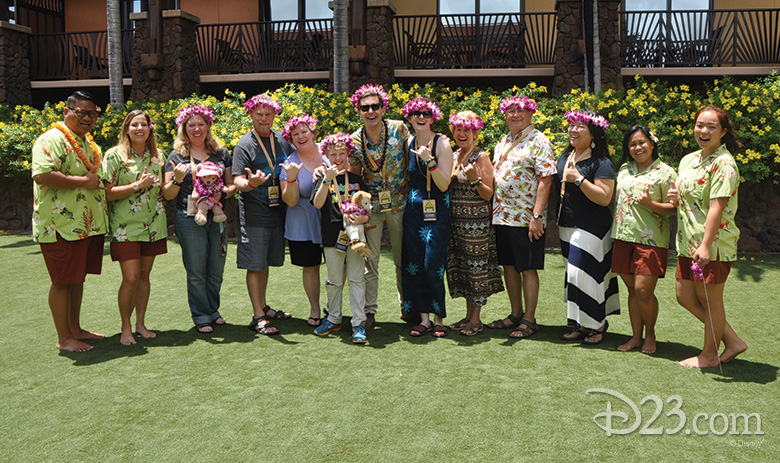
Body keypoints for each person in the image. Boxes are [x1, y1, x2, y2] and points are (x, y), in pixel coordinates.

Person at [668, 106, 747, 368]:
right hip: (687, 242)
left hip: (712, 245)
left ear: (723, 132)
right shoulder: (689, 160)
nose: (704, 131)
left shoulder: (724, 163)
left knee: (710, 300)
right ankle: (733, 341)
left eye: (712, 127)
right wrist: (675, 197)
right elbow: (690, 196)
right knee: (685, 296)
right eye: (700, 125)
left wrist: (705, 245)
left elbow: (717, 206)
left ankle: (710, 355)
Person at [31, 90, 108, 352]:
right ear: (67, 112)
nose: (87, 118)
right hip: (59, 226)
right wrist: (84, 182)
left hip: (84, 225)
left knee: (76, 278)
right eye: (81, 112)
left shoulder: (86, 141)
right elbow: (42, 175)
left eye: (92, 113)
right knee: (62, 280)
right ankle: (64, 338)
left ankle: (75, 329)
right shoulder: (50, 139)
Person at [487, 96, 556, 340]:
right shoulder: (503, 141)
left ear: (530, 114)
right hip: (502, 215)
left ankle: (529, 318)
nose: (515, 115)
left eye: (521, 111)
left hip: (526, 217)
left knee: (527, 267)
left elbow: (546, 179)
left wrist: (537, 215)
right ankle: (515, 313)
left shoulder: (539, 140)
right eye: (510, 111)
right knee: (509, 266)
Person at [163, 105, 235, 333]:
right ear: (184, 128)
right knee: (196, 270)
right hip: (189, 217)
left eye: (200, 124)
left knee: (216, 269)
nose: (196, 129)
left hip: (217, 215)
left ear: (208, 126)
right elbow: (167, 194)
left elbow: (231, 185)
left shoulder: (221, 153)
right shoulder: (176, 156)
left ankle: (213, 310)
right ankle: (201, 315)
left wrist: (223, 191)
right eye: (191, 125)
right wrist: (177, 178)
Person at [102, 110, 167, 345]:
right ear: (126, 129)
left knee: (144, 276)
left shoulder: (158, 156)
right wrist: (138, 185)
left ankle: (140, 324)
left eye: (144, 124)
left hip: (154, 225)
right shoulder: (114, 156)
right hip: (125, 227)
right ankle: (126, 328)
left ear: (150, 128)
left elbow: (163, 188)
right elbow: (107, 193)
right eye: (134, 125)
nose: (140, 128)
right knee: (130, 278)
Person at [349, 84, 411, 329]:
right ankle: (369, 311)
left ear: (383, 108)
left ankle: (408, 307)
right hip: (371, 206)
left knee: (402, 258)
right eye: (365, 108)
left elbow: (412, 160)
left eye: (375, 106)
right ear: (359, 111)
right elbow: (354, 175)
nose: (371, 111)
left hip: (401, 203)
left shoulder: (399, 128)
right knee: (370, 260)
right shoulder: (355, 140)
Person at [232, 94, 294, 335]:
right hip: (255, 212)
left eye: (268, 114)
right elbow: (236, 179)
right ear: (251, 115)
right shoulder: (244, 145)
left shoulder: (281, 140)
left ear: (275, 115)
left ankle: (264, 306)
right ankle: (257, 316)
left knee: (265, 262)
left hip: (278, 211)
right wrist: (251, 182)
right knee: (254, 264)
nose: (264, 118)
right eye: (259, 114)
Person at [557, 109, 620, 345]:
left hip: (592, 227)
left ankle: (597, 325)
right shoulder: (566, 156)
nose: (573, 129)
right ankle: (579, 325)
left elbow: (605, 197)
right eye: (571, 125)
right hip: (566, 224)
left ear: (593, 133)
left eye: (579, 126)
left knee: (584, 275)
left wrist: (580, 180)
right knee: (574, 277)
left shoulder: (601, 162)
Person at [611, 125, 676, 354]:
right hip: (622, 236)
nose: (637, 147)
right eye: (632, 144)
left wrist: (651, 205)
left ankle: (651, 335)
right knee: (632, 291)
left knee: (643, 291)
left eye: (641, 142)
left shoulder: (666, 172)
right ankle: (636, 337)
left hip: (651, 240)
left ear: (652, 143)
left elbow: (673, 207)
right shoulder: (623, 170)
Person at [445, 111, 504, 336]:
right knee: (462, 268)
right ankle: (468, 315)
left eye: (466, 130)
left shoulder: (481, 157)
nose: (461, 134)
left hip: (476, 225)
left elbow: (488, 194)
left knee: (476, 269)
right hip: (456, 223)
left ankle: (476, 319)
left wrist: (475, 180)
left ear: (475, 132)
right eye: (458, 130)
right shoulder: (453, 155)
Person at [399, 98, 453, 337]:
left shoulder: (442, 144)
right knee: (415, 265)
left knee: (433, 265)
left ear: (433, 118)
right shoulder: (407, 142)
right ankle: (423, 319)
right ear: (409, 118)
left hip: (437, 211)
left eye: (426, 114)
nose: (421, 117)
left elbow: (444, 184)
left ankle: (439, 317)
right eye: (416, 113)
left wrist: (429, 161)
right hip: (413, 212)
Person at [311, 133, 370, 343]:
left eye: (341, 154)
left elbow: (366, 209)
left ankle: (358, 323)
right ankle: (334, 318)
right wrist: (326, 180)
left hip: (355, 237)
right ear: (326, 154)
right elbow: (317, 204)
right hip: (331, 236)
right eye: (333, 154)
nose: (337, 158)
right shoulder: (322, 178)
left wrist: (363, 217)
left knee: (357, 279)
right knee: (335, 281)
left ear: (348, 154)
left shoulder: (356, 180)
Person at [280, 114, 327, 327]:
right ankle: (315, 308)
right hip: (302, 222)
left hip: (330, 219)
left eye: (304, 131)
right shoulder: (290, 163)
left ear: (313, 132)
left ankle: (335, 307)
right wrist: (291, 178)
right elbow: (290, 201)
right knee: (311, 266)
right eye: (295, 133)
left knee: (341, 264)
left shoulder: (327, 151)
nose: (300, 136)